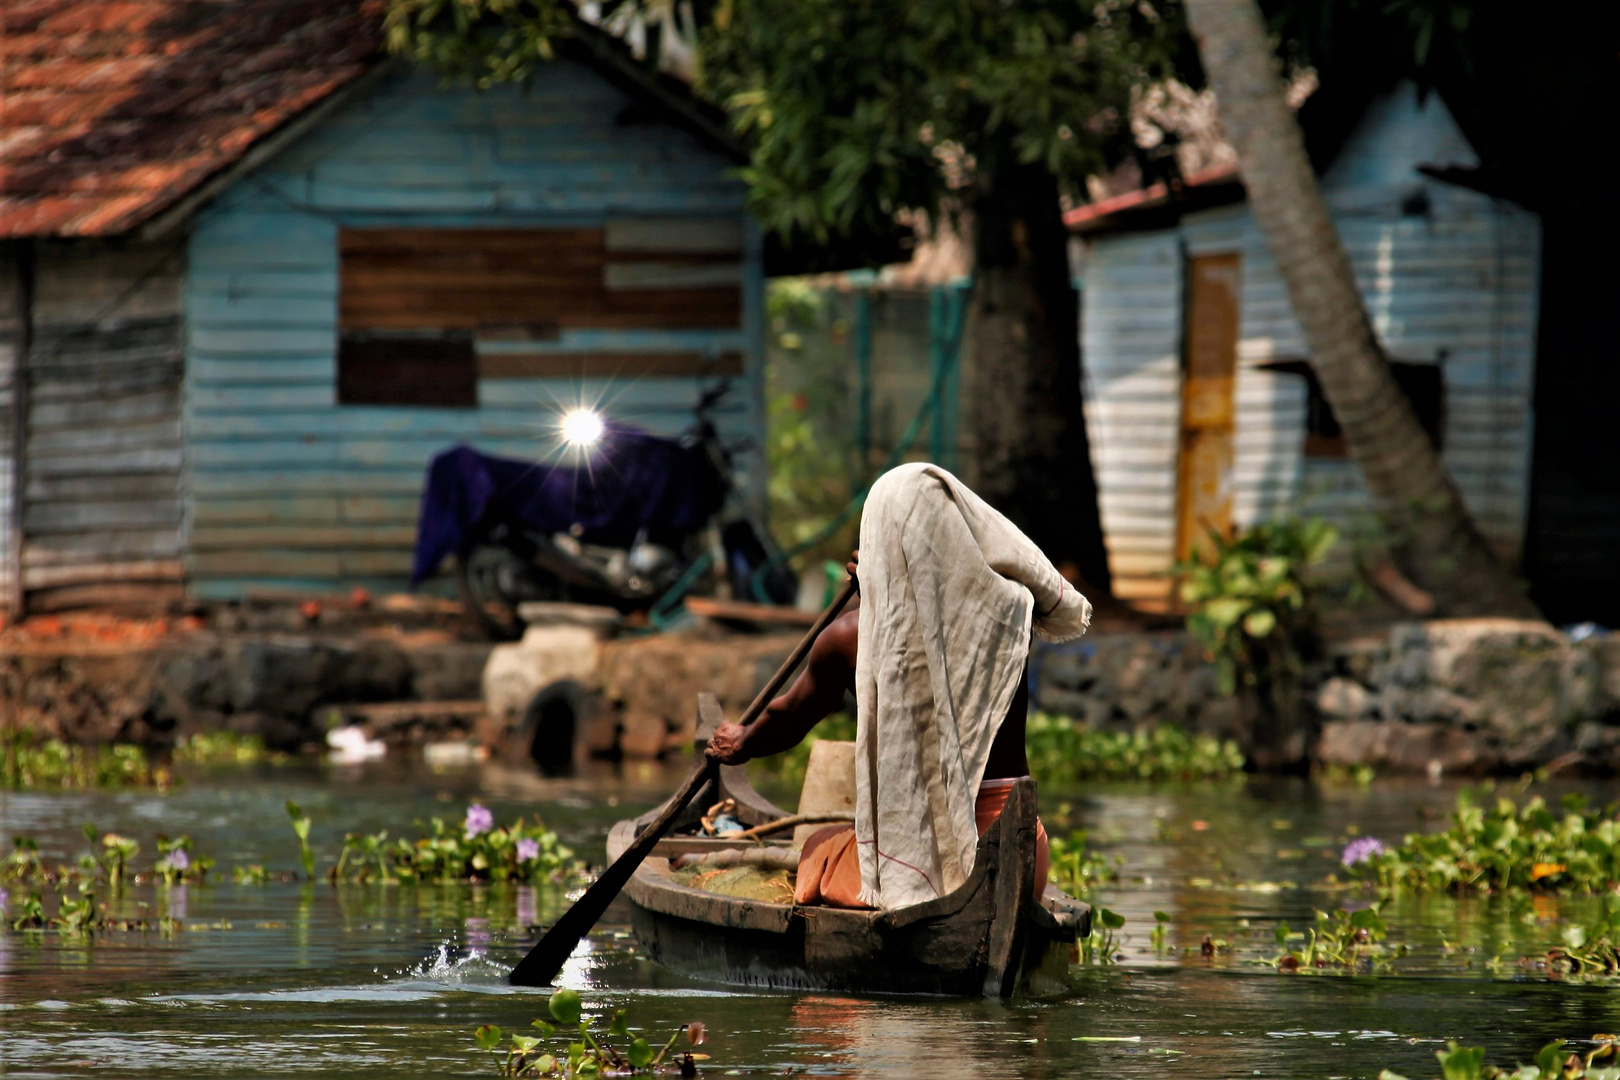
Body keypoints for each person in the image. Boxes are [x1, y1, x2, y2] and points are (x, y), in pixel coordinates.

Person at [706, 463, 1090, 910]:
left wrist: (744, 740)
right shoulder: (1008, 614)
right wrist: (883, 585)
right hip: (1021, 851)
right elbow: (939, 613)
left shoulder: (848, 639)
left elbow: (789, 718)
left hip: (925, 871)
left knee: (819, 848)